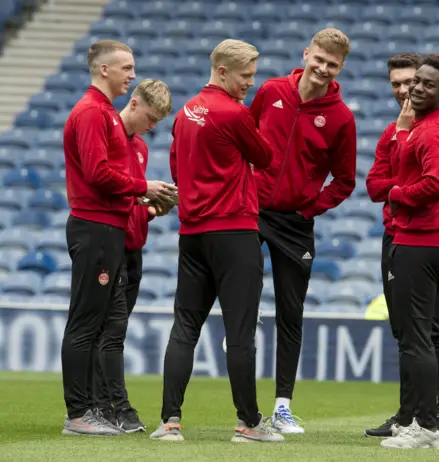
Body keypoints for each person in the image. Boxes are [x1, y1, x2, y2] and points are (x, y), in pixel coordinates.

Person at [150, 39, 283, 443]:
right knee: (240, 332)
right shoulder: (235, 114)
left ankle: (170, 422)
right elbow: (265, 158)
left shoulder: (185, 112)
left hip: (192, 234)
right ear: (222, 71)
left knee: (185, 327)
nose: (250, 83)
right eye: (245, 76)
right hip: (234, 232)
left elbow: (176, 164)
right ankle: (249, 424)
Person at [61, 40, 177, 437]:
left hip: (108, 228)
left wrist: (142, 197)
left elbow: (107, 179)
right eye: (126, 67)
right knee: (85, 323)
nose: (132, 74)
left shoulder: (105, 114)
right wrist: (142, 186)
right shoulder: (93, 112)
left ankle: (93, 409)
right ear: (104, 69)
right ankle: (79, 414)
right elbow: (96, 175)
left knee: (101, 324)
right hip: (94, 227)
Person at [249, 28, 357, 434]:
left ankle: (282, 407)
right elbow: (243, 140)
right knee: (239, 290)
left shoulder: (341, 118)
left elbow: (344, 181)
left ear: (340, 67)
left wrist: (307, 207)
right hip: (253, 209)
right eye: (320, 59)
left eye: (333, 64)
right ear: (307, 52)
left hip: (295, 224)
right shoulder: (271, 91)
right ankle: (247, 403)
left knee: (291, 314)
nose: (324, 68)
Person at [364, 52, 439, 441]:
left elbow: (436, 183)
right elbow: (372, 186)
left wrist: (398, 192)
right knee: (421, 334)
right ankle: (419, 420)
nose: (414, 88)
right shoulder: (430, 126)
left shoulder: (428, 130)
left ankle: (427, 424)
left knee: (419, 335)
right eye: (412, 82)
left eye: (424, 84)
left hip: (419, 238)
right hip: (431, 238)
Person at [90, 79, 175, 433]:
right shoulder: (109, 138)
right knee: (112, 331)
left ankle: (101, 407)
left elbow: (131, 197)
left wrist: (152, 208)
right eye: (151, 119)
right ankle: (118, 408)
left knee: (108, 332)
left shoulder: (139, 147)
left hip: (133, 244)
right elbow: (106, 186)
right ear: (135, 104)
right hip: (111, 245)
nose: (152, 127)